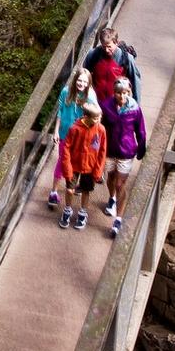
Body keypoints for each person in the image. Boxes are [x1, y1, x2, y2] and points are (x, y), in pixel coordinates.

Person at [101, 76, 147, 238]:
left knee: (120, 184)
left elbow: (140, 130)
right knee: (110, 177)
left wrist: (142, 148)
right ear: (114, 93)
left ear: (130, 92)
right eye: (119, 93)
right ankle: (111, 198)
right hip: (110, 150)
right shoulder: (106, 106)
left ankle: (118, 219)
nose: (122, 96)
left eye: (126, 92)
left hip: (126, 152)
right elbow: (99, 126)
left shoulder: (135, 109)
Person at [46, 69, 95, 208]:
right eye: (79, 80)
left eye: (85, 81)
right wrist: (55, 131)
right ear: (75, 80)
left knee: (77, 162)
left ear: (89, 83)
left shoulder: (90, 97)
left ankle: (72, 186)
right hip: (65, 133)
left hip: (81, 135)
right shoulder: (66, 91)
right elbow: (60, 111)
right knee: (62, 160)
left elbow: (96, 116)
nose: (81, 83)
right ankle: (54, 192)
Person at [58, 102, 107, 230]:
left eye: (99, 117)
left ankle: (82, 212)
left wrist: (98, 170)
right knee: (70, 189)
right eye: (96, 118)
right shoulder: (74, 129)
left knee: (86, 190)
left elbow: (102, 151)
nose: (98, 120)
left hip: (90, 166)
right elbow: (66, 149)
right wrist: (67, 169)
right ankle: (67, 210)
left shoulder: (101, 129)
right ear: (86, 116)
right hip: (74, 165)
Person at [83, 28, 141, 103]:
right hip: (96, 103)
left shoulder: (126, 58)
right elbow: (84, 75)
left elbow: (135, 81)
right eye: (104, 47)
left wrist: (136, 105)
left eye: (109, 47)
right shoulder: (93, 54)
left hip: (117, 103)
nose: (106, 50)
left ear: (116, 43)